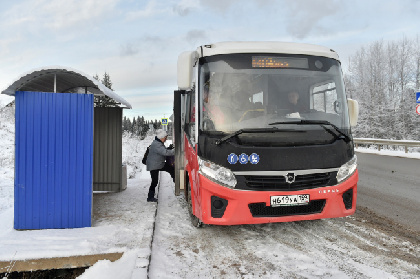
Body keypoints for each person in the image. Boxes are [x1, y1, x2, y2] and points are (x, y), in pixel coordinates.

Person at [145, 129, 175, 202]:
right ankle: (150, 197)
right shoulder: (157, 144)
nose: (166, 139)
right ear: (161, 137)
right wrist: (176, 150)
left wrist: (169, 148)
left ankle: (176, 180)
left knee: (171, 169)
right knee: (154, 181)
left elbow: (163, 150)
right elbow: (165, 153)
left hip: (158, 163)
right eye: (165, 137)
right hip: (154, 165)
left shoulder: (158, 143)